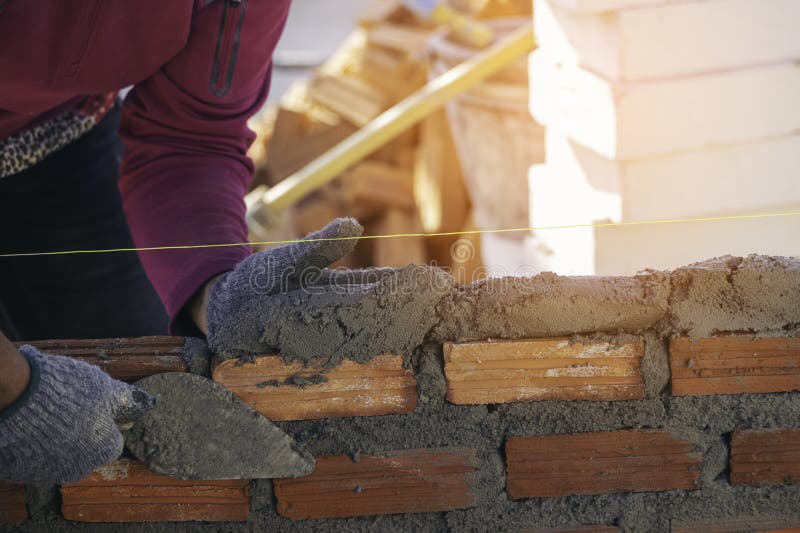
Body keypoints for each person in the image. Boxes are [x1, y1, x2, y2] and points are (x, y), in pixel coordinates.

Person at [0, 0, 368, 484]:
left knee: (132, 366)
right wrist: (13, 388)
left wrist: (219, 287)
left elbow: (190, 135)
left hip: (56, 136)